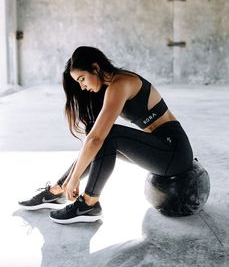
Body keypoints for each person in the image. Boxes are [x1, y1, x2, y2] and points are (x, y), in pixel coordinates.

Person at [19, 46, 193, 224]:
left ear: (95, 68)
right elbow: (93, 140)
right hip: (162, 149)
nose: (82, 86)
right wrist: (71, 178)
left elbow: (96, 139)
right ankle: (56, 191)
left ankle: (88, 203)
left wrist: (75, 178)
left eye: (82, 79)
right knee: (101, 139)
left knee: (106, 136)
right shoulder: (112, 85)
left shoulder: (121, 84)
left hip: (174, 153)